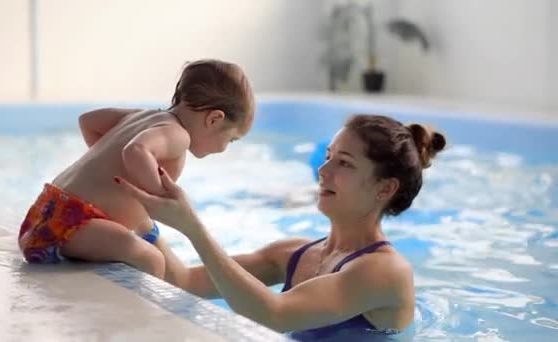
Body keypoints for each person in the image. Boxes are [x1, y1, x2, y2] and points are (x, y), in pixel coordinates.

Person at [115, 114, 446, 340]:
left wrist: (192, 227)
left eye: (344, 163)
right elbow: (183, 281)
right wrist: (141, 216)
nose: (323, 170)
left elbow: (274, 313)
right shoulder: (292, 254)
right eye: (328, 156)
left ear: (384, 188)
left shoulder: (386, 272)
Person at [17, 59, 255, 278]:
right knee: (152, 260)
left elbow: (87, 121)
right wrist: (158, 197)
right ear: (214, 119)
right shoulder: (177, 135)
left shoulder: (143, 116)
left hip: (44, 213)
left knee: (145, 231)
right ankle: (141, 324)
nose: (225, 148)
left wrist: (111, 172)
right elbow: (135, 151)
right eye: (231, 139)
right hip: (71, 225)